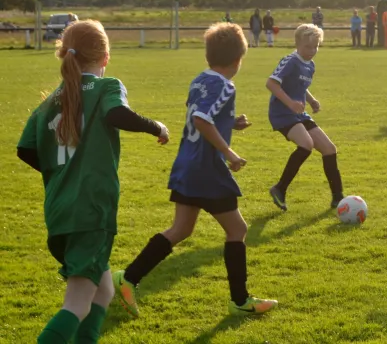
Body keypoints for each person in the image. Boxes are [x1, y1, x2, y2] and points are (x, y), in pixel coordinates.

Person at [17, 20, 170, 343]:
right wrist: (156, 126)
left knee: (104, 291)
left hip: (60, 211)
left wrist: (62, 174)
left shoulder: (50, 101)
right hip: (91, 209)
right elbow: (117, 115)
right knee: (77, 304)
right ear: (105, 57)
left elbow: (26, 149)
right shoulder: (106, 86)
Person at [113, 22, 278, 319]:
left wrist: (231, 123)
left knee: (181, 229)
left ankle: (127, 278)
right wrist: (229, 152)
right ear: (239, 58)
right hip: (208, 169)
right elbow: (202, 120)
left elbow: (201, 115)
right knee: (238, 229)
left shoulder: (200, 79)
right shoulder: (226, 85)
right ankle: (240, 300)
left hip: (188, 164)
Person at [266, 24, 344, 211]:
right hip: (282, 113)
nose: (312, 51)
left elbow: (300, 86)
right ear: (298, 44)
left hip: (298, 113)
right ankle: (279, 188)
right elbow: (271, 83)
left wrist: (311, 99)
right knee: (306, 144)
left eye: (316, 46)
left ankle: (338, 198)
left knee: (329, 149)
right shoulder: (290, 60)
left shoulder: (310, 65)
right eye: (308, 47)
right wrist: (290, 103)